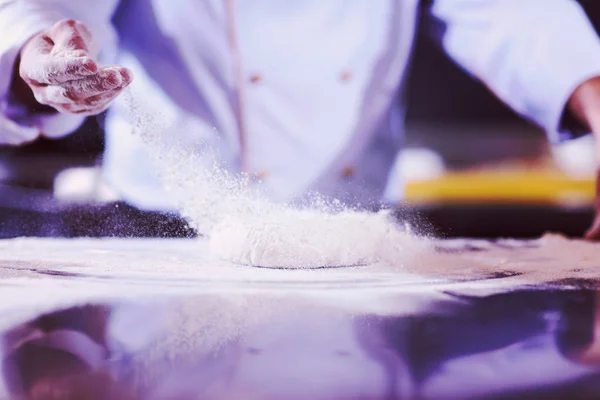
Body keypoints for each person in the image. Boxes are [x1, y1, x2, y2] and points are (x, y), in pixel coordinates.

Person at [2, 1, 600, 238]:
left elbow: (505, 10)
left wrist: (590, 87)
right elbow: (51, 12)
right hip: (161, 234)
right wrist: (39, 51)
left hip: (359, 242)